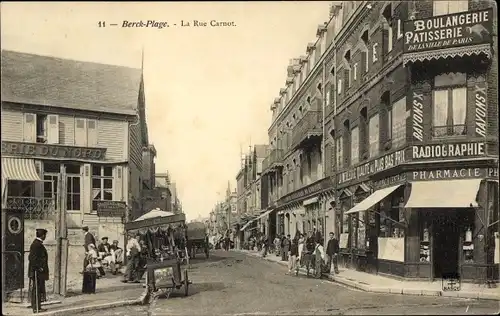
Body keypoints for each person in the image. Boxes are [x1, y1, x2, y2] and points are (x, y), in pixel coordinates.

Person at [28, 228, 49, 314]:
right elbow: (32, 258)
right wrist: (39, 267)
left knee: (38, 289)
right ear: (42, 235)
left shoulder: (37, 243)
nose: (45, 237)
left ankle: (37, 306)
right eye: (45, 235)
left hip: (38, 271)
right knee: (37, 289)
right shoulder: (36, 245)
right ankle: (36, 308)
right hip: (37, 271)